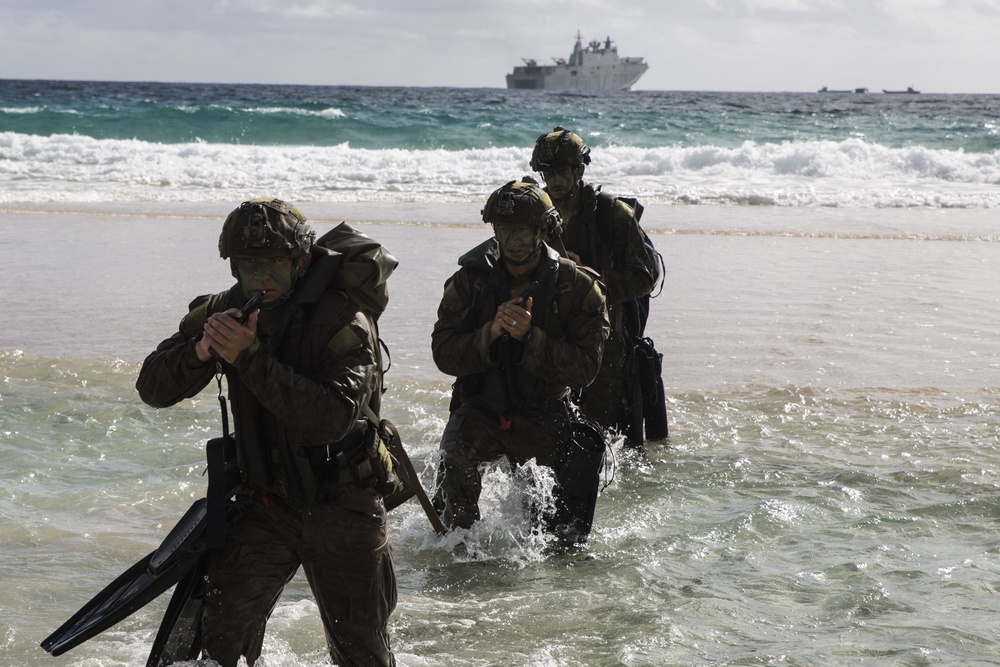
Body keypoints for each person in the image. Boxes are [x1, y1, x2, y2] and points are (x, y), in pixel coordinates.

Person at [135, 198, 398, 667]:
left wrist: (249, 357)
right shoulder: (225, 310)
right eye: (249, 265)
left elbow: (332, 419)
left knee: (361, 654)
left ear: (299, 261)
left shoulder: (344, 322)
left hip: (343, 506)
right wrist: (200, 351)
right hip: (266, 505)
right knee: (219, 644)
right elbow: (151, 387)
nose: (261, 277)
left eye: (273, 263)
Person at [431, 179, 610, 548]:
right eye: (504, 230)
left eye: (522, 231)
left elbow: (586, 369)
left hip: (543, 412)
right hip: (482, 406)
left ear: (541, 231)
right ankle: (458, 552)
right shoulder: (470, 281)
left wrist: (532, 338)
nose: (512, 240)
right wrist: (489, 334)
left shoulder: (576, 287)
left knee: (550, 534)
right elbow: (443, 352)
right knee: (454, 463)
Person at [530, 126, 661, 447]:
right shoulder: (535, 212)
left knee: (606, 439)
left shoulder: (610, 214)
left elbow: (645, 275)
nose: (554, 181)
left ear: (579, 170)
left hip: (606, 344)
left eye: (561, 172)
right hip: (551, 339)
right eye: (547, 173)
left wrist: (591, 279)